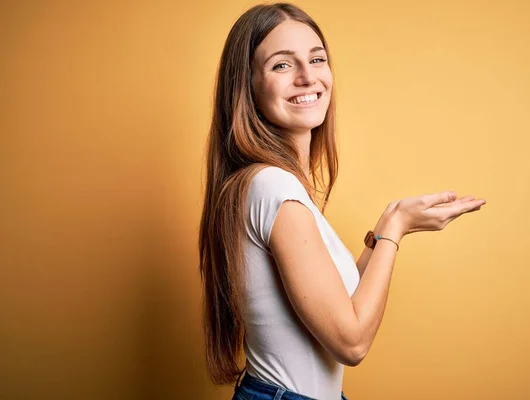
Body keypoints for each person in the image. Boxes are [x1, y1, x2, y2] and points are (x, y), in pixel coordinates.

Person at [198, 3, 486, 400]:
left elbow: (335, 304)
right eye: (282, 65)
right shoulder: (272, 187)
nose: (307, 77)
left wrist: (388, 222)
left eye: (317, 59)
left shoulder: (272, 185)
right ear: (246, 84)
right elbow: (351, 342)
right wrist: (395, 230)